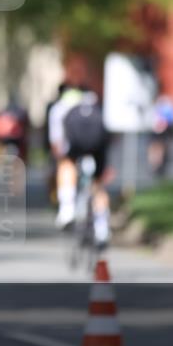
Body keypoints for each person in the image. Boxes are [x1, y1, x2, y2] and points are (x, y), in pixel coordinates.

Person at [48, 84, 112, 247]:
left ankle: (67, 209)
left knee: (66, 164)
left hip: (75, 147)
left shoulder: (59, 108)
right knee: (98, 185)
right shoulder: (96, 104)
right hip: (98, 147)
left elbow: (57, 142)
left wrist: (59, 158)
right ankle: (102, 227)